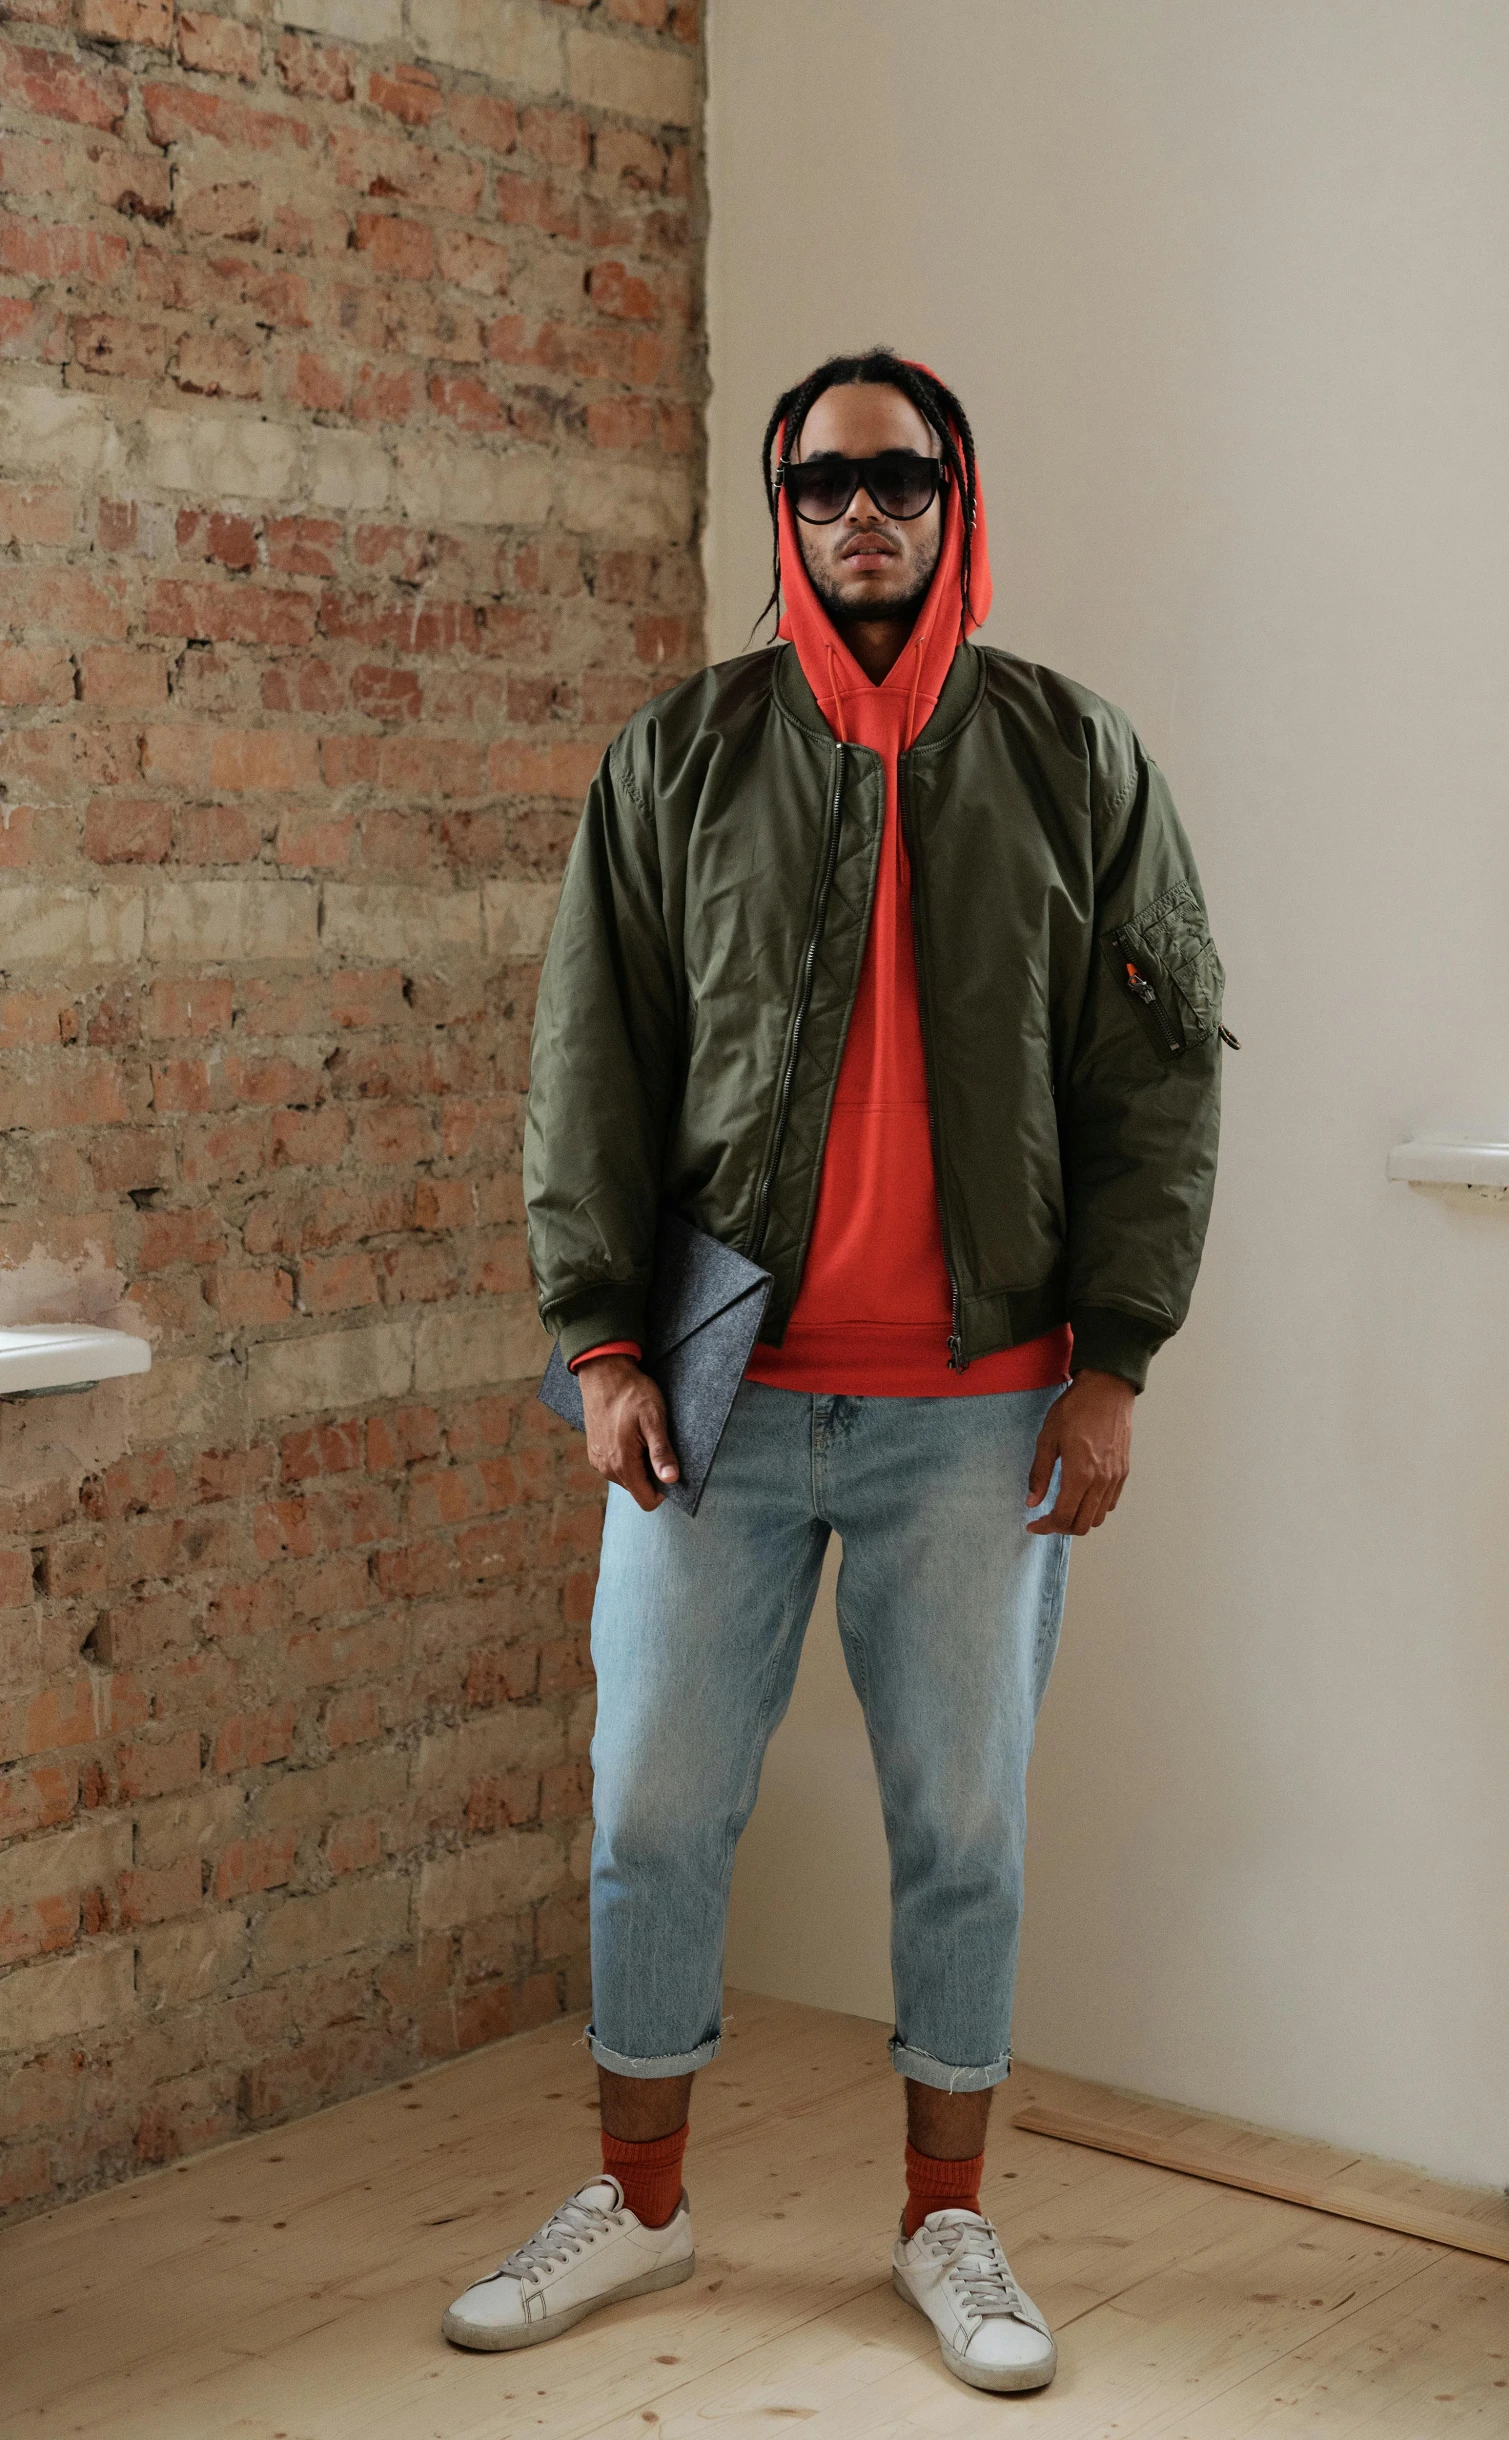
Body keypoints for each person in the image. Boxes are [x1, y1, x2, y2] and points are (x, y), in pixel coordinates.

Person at [443, 351, 1227, 2394]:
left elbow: (1155, 1085)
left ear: (956, 494)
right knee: (649, 1804)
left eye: (894, 478)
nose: (856, 513)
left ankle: (943, 2219)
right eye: (818, 481)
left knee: (960, 1819)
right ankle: (641, 2197)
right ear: (778, 506)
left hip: (981, 1407)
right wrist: (599, 1338)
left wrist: (1115, 1358)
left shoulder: (1076, 757)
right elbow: (586, 1062)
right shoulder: (681, 754)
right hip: (716, 1404)